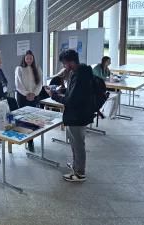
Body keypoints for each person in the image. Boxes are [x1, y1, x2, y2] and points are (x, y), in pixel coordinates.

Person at [45, 49, 94, 182]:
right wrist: (63, 90)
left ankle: (80, 173)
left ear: (72, 62)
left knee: (78, 144)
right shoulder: (77, 72)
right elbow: (73, 92)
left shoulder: (80, 76)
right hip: (75, 115)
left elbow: (71, 101)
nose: (64, 66)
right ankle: (76, 165)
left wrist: (54, 96)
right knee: (74, 143)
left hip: (77, 116)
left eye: (65, 64)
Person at [15, 50, 43, 152]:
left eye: (30, 58)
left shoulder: (37, 69)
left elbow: (40, 84)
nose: (29, 60)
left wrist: (34, 94)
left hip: (34, 96)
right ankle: (24, 138)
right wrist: (27, 94)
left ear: (33, 58)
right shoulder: (19, 69)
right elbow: (18, 84)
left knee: (32, 120)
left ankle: (31, 142)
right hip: (23, 96)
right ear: (24, 59)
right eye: (27, 58)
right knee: (23, 119)